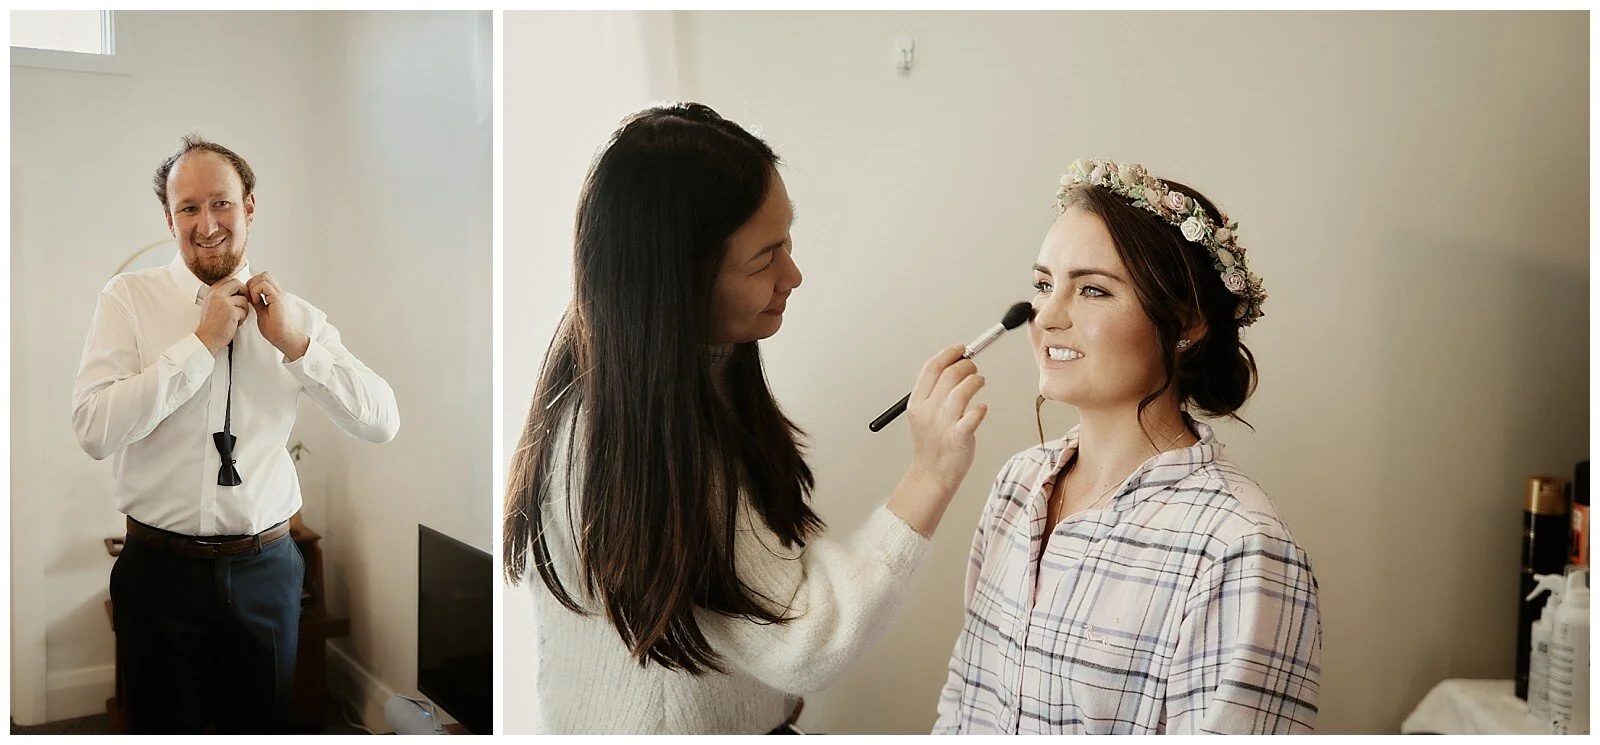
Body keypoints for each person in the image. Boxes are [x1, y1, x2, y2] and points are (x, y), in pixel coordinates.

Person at [503, 103, 988, 734]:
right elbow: (806, 638)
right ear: (681, 277)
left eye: (788, 241)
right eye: (765, 259)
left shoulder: (686, 381)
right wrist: (931, 473)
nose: (794, 274)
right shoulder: (622, 438)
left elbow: (758, 596)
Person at [933, 159, 1321, 734]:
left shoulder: (1240, 549)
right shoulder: (1019, 484)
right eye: (1044, 285)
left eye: (1092, 290)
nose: (1047, 316)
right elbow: (964, 706)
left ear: (1186, 324)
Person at [72, 134, 400, 733]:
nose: (206, 224)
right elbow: (93, 429)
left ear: (249, 206)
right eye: (189, 208)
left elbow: (381, 420)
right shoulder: (128, 300)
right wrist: (197, 346)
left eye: (220, 203)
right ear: (169, 219)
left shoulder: (294, 316)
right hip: (158, 572)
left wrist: (299, 348)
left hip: (266, 572)